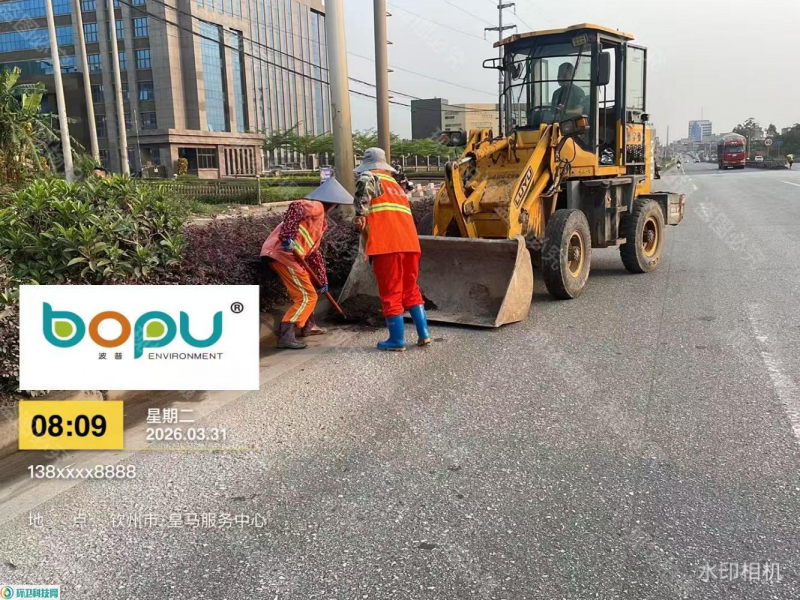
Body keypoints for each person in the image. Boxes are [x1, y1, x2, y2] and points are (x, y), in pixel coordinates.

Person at [260, 177, 353, 350]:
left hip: (291, 257)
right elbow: (296, 206)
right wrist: (287, 236)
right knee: (307, 296)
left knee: (309, 287)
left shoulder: (321, 223)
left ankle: (309, 325)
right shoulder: (317, 206)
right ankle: (286, 334)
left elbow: (314, 253)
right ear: (332, 204)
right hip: (283, 255)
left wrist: (322, 280)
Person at [354, 147, 430, 352]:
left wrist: (359, 215)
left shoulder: (369, 177)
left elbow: (361, 194)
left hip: (387, 245)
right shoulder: (396, 186)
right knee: (410, 288)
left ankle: (397, 340)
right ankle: (424, 334)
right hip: (410, 244)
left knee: (391, 291)